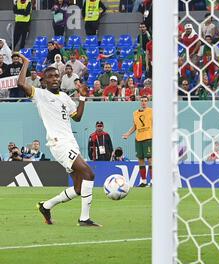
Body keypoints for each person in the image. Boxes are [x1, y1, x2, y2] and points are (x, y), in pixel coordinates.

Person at [16, 52, 101, 227]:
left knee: (78, 188)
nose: (55, 78)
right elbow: (21, 83)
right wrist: (26, 63)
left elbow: (76, 117)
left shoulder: (65, 98)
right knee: (89, 174)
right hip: (58, 143)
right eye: (50, 77)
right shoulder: (40, 95)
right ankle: (84, 219)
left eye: (56, 76)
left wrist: (83, 97)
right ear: (44, 81)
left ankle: (46, 206)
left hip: (70, 142)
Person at [122, 95, 153, 187]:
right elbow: (135, 126)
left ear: (147, 102)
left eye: (145, 101)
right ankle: (143, 181)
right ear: (140, 102)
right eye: (142, 101)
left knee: (150, 159)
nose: (143, 102)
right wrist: (128, 134)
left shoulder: (151, 111)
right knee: (140, 159)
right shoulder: (135, 113)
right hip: (138, 139)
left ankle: (153, 181)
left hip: (148, 138)